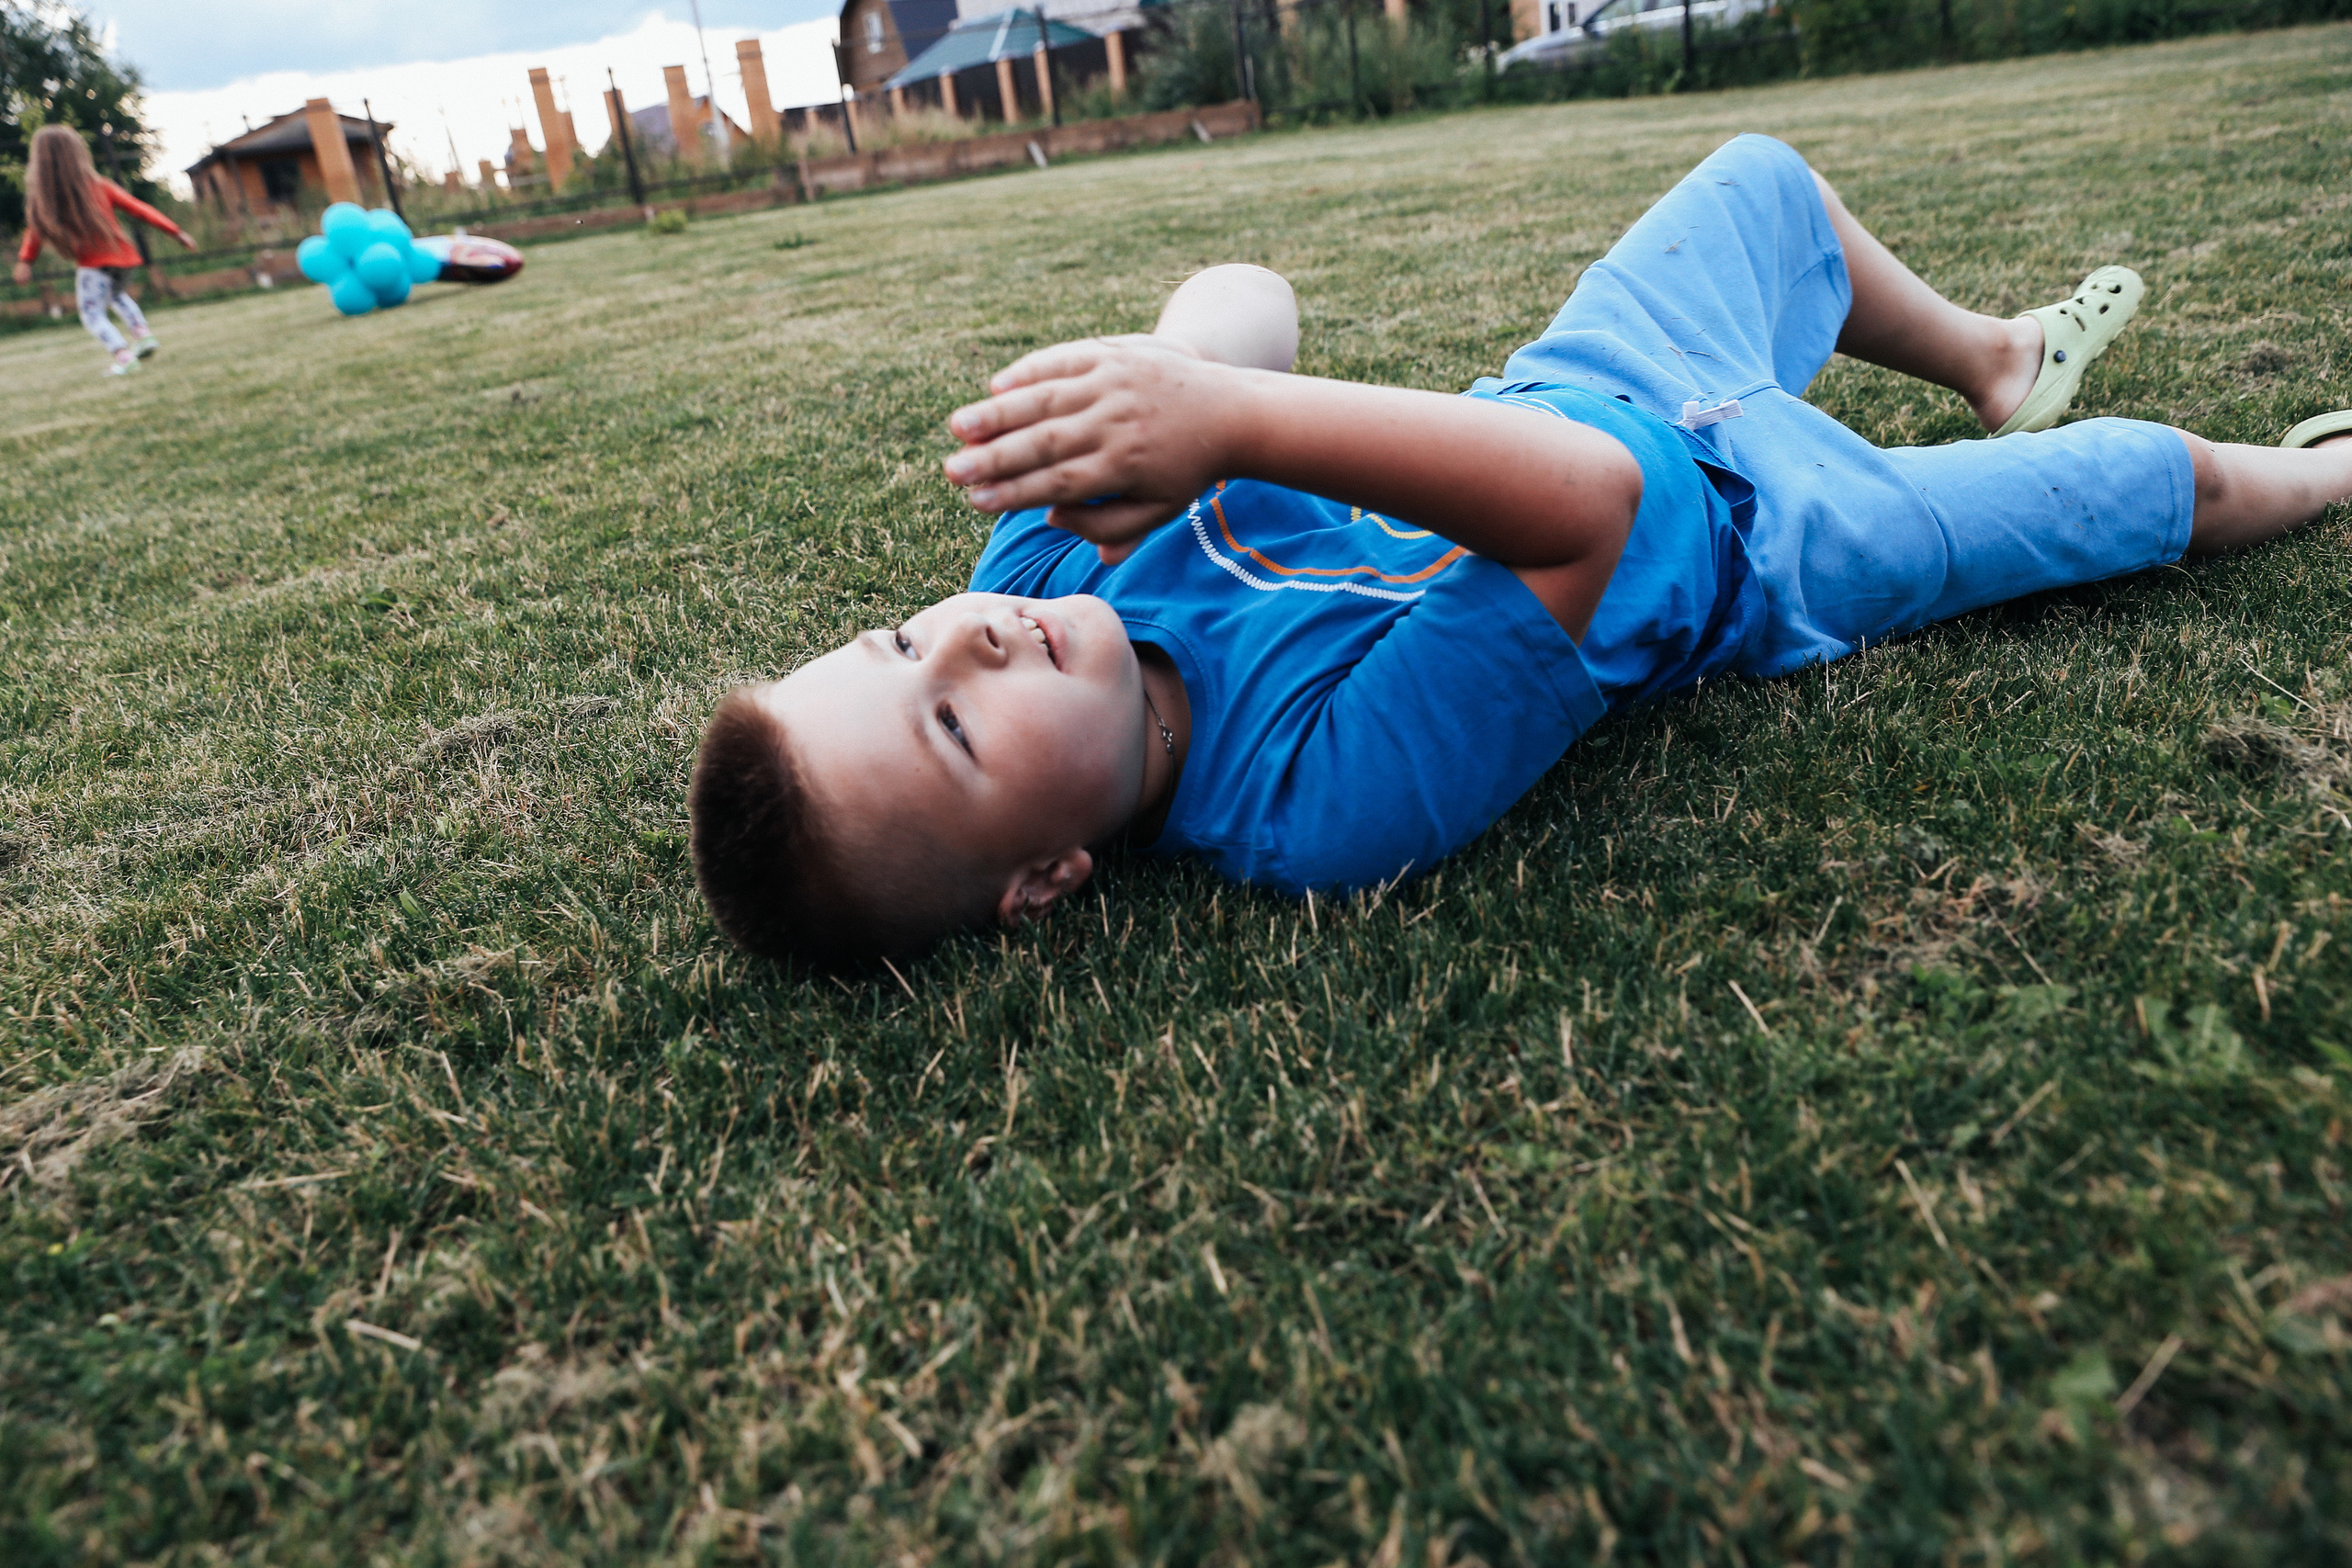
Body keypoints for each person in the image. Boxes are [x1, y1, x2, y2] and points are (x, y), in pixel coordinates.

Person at [691, 132, 2352, 966]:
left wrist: (1185, 367)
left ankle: (1992, 359)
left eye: (901, 643)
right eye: (954, 730)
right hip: (1766, 548)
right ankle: (2314, 483)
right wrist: (1241, 430)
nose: (968, 646)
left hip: (1580, 383)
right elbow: (1584, 517)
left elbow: (1247, 303)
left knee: (1763, 183)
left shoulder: (1054, 577)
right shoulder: (1309, 805)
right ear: (1045, 879)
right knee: (2147, 491)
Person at [11, 124, 198, 377]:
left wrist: (25, 262)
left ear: (40, 163)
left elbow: (34, 233)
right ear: (78, 153)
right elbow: (139, 208)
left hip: (93, 266)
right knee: (116, 295)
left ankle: (123, 355)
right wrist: (176, 232)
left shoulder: (48, 200)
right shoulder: (100, 186)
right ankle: (142, 334)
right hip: (125, 260)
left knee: (91, 313)